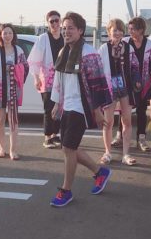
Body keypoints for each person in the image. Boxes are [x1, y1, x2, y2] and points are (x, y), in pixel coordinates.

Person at [49, 11, 112, 207]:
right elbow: (59, 78)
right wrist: (57, 103)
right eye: (64, 28)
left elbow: (97, 83)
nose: (66, 32)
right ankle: (99, 172)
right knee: (69, 147)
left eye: (70, 28)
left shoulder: (89, 52)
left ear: (80, 30)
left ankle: (66, 190)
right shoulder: (63, 51)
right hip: (67, 105)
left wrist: (98, 111)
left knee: (68, 148)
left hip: (81, 107)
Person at [0, 23, 29, 160]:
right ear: (1, 35)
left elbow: (25, 67)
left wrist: (16, 70)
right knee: (0, 119)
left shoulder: (18, 50)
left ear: (13, 35)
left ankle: (13, 150)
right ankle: (2, 148)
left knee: (13, 120)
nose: (7, 35)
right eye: (5, 33)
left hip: (14, 88)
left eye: (10, 33)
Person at [112, 17, 151, 152]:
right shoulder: (125, 42)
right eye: (129, 28)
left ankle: (141, 139)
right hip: (126, 82)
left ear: (141, 30)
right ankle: (120, 136)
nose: (130, 31)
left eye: (132, 29)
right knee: (124, 110)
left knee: (141, 110)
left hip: (144, 83)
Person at [99, 18, 136, 165]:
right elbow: (98, 69)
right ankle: (107, 152)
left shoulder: (128, 48)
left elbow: (134, 66)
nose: (118, 33)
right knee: (108, 121)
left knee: (127, 120)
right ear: (109, 32)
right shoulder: (103, 48)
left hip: (125, 86)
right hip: (109, 87)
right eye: (115, 30)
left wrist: (138, 81)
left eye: (120, 30)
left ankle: (126, 154)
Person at [28, 11, 64, 149]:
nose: (54, 23)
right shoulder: (43, 38)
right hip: (47, 78)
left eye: (56, 20)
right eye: (51, 21)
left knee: (59, 107)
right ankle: (47, 137)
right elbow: (34, 59)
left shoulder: (64, 37)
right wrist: (36, 78)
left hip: (61, 78)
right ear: (48, 23)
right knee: (48, 108)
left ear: (60, 21)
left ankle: (55, 134)